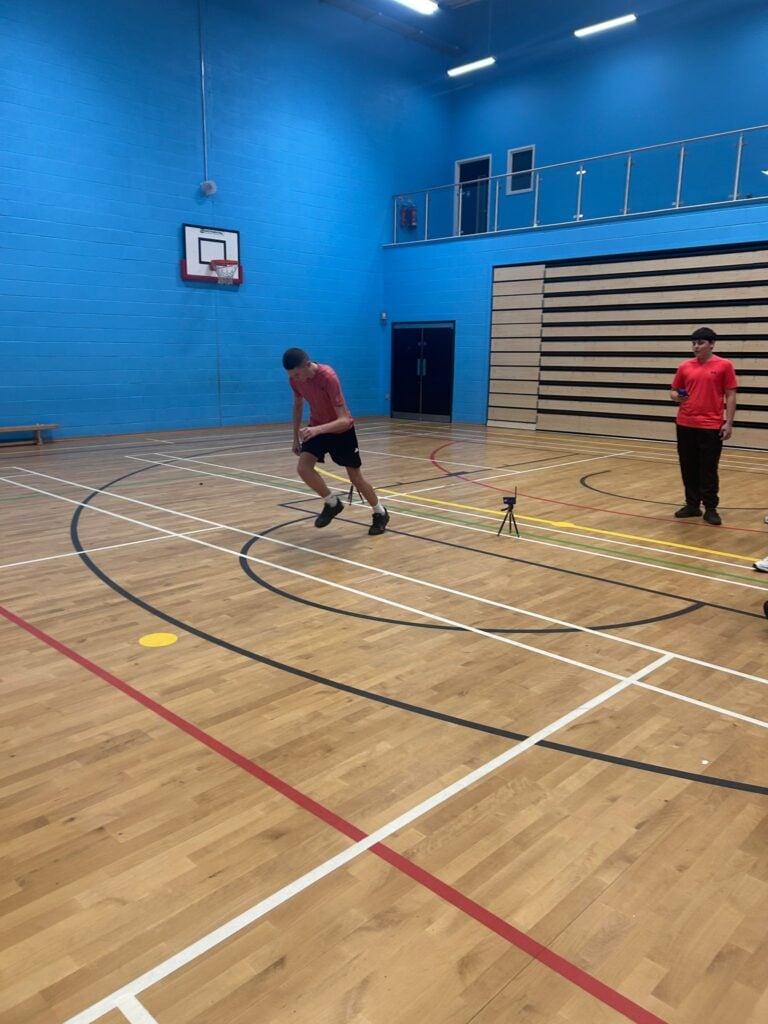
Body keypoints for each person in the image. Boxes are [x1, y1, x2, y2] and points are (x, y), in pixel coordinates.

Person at [282, 348, 389, 535]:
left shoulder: (328, 377)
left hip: (341, 431)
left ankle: (380, 512)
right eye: (291, 376)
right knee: (303, 468)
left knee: (356, 478)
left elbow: (344, 420)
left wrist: (316, 430)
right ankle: (332, 503)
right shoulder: (295, 380)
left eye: (297, 374)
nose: (295, 379)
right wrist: (295, 439)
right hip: (317, 426)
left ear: (307, 365)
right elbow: (298, 405)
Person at [670, 327, 737, 526]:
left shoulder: (724, 365)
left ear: (712, 344)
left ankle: (710, 508)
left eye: (700, 343)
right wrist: (677, 397)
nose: (696, 347)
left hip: (711, 425)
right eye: (694, 343)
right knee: (688, 466)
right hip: (685, 423)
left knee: (708, 468)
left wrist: (728, 422)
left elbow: (730, 395)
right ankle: (692, 505)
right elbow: (673, 391)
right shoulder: (684, 366)